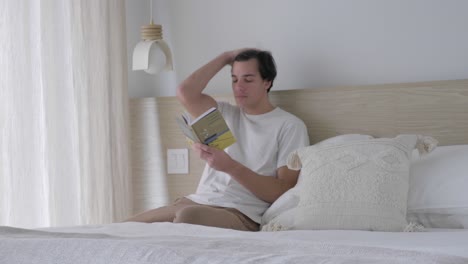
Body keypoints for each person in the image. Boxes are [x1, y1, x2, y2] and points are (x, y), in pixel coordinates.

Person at [126, 48, 309, 231]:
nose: (239, 87)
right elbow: (185, 92)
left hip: (240, 213)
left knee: (186, 217)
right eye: (234, 79)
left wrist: (230, 167)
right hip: (195, 202)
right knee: (122, 227)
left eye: (248, 79)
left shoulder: (289, 126)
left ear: (267, 82)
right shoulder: (224, 114)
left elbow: (283, 189)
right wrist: (226, 57)